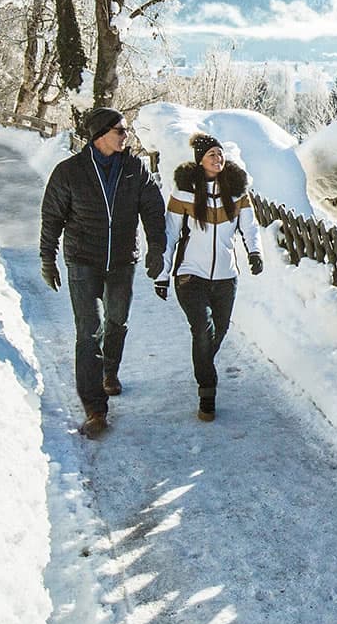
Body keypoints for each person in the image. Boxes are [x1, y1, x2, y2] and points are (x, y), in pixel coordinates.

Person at [40, 107, 166, 437]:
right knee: (88, 330)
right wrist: (47, 259)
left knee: (117, 321)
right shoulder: (70, 172)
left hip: (122, 260)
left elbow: (153, 209)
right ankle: (95, 408)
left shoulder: (134, 168)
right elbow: (52, 217)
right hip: (83, 259)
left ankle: (109, 371)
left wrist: (157, 247)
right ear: (100, 136)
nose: (127, 136)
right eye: (121, 131)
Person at [155, 132, 262, 422]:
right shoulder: (184, 193)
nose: (218, 158)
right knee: (202, 329)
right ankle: (207, 391)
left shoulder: (237, 192)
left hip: (226, 276)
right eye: (212, 154)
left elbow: (250, 227)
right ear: (200, 160)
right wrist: (163, 274)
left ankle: (203, 363)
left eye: (220, 153)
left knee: (219, 330)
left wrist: (254, 252)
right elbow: (170, 234)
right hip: (191, 275)